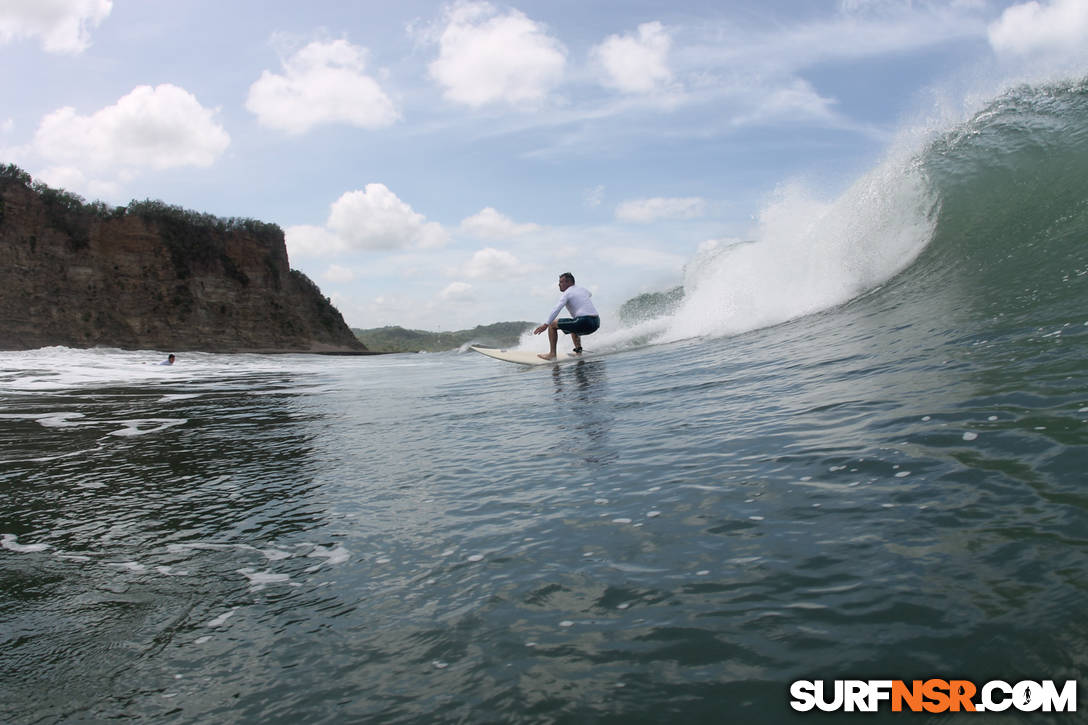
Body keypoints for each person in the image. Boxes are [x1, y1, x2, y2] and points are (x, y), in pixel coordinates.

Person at [533, 272, 600, 360]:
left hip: (584, 321)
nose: (559, 284)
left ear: (568, 282)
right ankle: (578, 352)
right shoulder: (583, 289)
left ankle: (552, 354)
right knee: (573, 325)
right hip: (596, 322)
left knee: (552, 324)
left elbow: (556, 309)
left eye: (561, 282)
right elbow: (589, 294)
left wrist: (545, 324)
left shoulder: (567, 293)